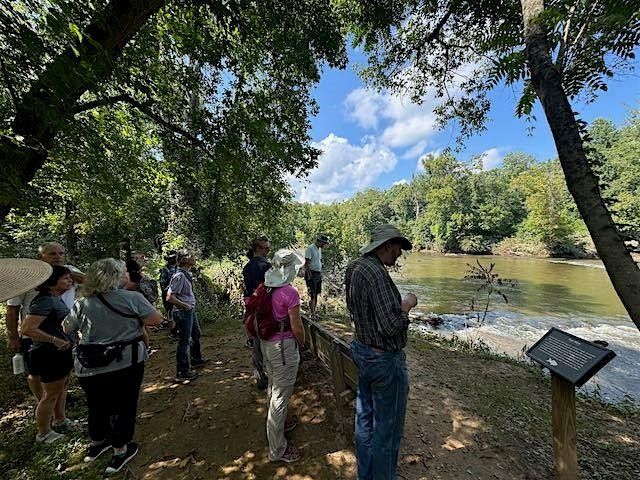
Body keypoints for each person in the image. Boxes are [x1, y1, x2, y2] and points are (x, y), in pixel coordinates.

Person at [63, 258, 162, 474]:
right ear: (116, 276)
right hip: (125, 362)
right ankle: (120, 451)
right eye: (124, 272)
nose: (127, 275)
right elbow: (156, 320)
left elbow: (67, 327)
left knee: (96, 405)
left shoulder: (82, 302)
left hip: (88, 365)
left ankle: (97, 443)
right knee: (123, 405)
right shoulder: (131, 298)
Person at [345, 224, 418, 480]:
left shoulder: (354, 267)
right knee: (387, 430)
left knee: (365, 423)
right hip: (384, 361)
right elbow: (390, 326)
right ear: (387, 245)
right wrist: (407, 305)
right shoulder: (376, 274)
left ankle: (365, 476)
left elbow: (357, 310)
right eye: (399, 248)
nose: (400, 254)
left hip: (362, 352)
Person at [5, 242, 83, 401]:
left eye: (61, 253)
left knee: (64, 369)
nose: (58, 257)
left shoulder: (69, 271)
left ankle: (58, 404)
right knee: (35, 372)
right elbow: (12, 309)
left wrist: (66, 273)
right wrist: (13, 336)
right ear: (40, 257)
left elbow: (90, 281)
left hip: (64, 330)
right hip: (34, 333)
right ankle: (43, 402)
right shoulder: (27, 276)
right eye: (52, 254)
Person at [260, 249, 306, 463]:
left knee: (273, 388)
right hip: (283, 348)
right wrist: (302, 345)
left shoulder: (266, 287)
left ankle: (275, 429)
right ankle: (277, 449)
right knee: (280, 397)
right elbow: (297, 328)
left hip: (267, 344)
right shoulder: (290, 293)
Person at [21, 266, 75, 444]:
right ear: (52, 283)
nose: (70, 281)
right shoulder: (44, 301)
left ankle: (60, 420)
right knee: (50, 395)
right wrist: (55, 340)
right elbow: (28, 329)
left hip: (59, 353)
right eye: (65, 278)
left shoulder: (54, 298)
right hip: (48, 353)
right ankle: (43, 432)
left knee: (60, 389)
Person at [167, 251, 209, 381]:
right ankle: (182, 371)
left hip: (189, 309)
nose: (194, 258)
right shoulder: (179, 276)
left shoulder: (187, 274)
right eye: (191, 256)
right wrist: (185, 306)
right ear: (184, 260)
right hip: (183, 312)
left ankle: (196, 359)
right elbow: (170, 297)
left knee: (196, 334)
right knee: (184, 341)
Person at [304, 234, 329, 318]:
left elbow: (317, 261)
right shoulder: (310, 248)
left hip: (317, 273)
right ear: (320, 242)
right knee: (312, 294)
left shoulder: (319, 249)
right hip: (311, 273)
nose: (325, 245)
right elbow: (307, 264)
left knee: (316, 293)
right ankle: (312, 313)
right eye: (324, 243)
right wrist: (309, 276)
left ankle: (314, 312)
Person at [159, 251, 178, 338]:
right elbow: (162, 284)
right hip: (169, 293)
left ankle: (178, 330)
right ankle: (172, 332)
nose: (173, 259)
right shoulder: (165, 269)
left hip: (179, 294)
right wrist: (167, 292)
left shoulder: (179, 268)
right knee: (170, 312)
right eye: (171, 258)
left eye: (174, 257)